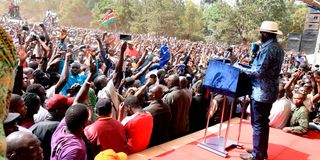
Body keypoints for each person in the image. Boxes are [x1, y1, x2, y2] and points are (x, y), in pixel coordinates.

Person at [240, 21, 284, 160]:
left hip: (261, 92)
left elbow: (259, 71)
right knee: (263, 123)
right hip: (269, 92)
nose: (260, 36)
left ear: (267, 34)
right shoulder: (278, 48)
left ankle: (257, 155)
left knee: (258, 124)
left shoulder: (268, 49)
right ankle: (260, 150)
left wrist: (242, 69)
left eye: (262, 33)